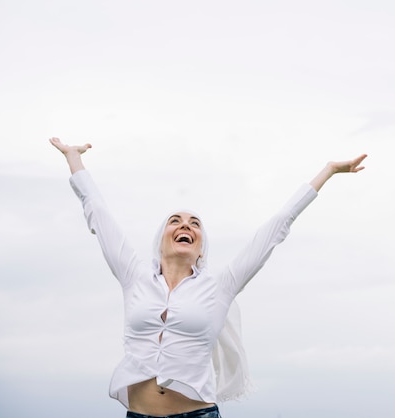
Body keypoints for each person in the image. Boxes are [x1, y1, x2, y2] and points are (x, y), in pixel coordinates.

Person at [49, 137, 367, 418]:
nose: (185, 225)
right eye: (175, 221)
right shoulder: (134, 275)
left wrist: (327, 172)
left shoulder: (220, 287)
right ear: (161, 239)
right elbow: (98, 213)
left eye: (194, 223)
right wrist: (74, 159)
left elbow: (277, 228)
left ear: (201, 247)